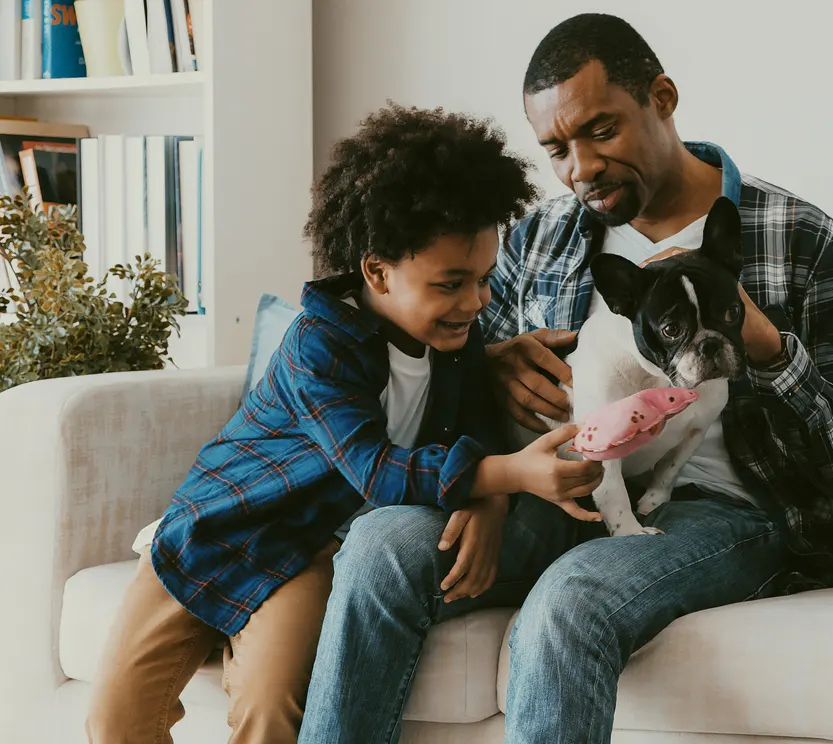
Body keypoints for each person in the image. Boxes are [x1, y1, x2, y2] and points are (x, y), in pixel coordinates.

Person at [298, 13, 833, 744]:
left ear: (663, 99)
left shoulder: (798, 238)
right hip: (553, 489)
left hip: (724, 511)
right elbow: (452, 397)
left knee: (570, 601)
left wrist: (771, 349)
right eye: (555, 148)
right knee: (378, 546)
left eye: (601, 132)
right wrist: (491, 373)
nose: (579, 167)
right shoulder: (535, 237)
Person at [85, 103, 604, 744]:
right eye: (450, 284)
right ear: (377, 271)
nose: (475, 302)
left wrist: (492, 498)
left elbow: (476, 431)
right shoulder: (319, 345)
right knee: (115, 720)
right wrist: (513, 476)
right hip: (218, 526)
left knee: (271, 711)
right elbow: (377, 471)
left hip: (308, 552)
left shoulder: (459, 342)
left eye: (483, 279)